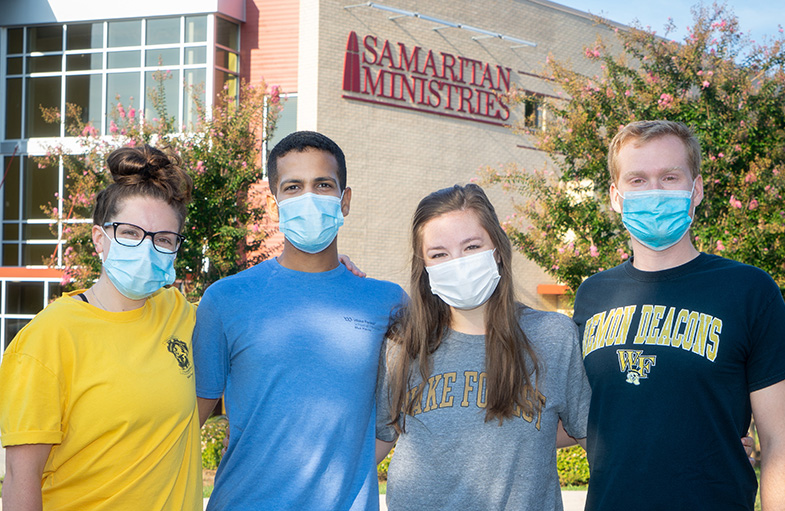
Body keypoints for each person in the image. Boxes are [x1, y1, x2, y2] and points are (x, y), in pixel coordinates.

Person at [572, 120, 785, 510]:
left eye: (670, 177)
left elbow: (783, 442)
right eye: (638, 180)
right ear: (615, 195)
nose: (654, 192)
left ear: (695, 190)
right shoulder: (592, 295)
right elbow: (586, 415)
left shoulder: (749, 290)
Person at [192, 130, 405, 511]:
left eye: (323, 185)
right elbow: (184, 424)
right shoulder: (225, 299)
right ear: (275, 206)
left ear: (345, 201)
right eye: (293, 187)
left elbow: (401, 415)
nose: (309, 198)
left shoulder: (388, 303)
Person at [0, 145, 201, 510]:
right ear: (99, 239)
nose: (147, 248)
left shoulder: (180, 315)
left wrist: (333, 271)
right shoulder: (50, 338)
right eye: (129, 233)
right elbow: (19, 476)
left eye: (164, 239)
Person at [375, 184, 591, 510]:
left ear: (498, 250)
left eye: (472, 246)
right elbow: (378, 440)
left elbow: (589, 435)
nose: (457, 263)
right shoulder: (402, 343)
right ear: (425, 268)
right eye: (439, 254)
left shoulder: (554, 336)